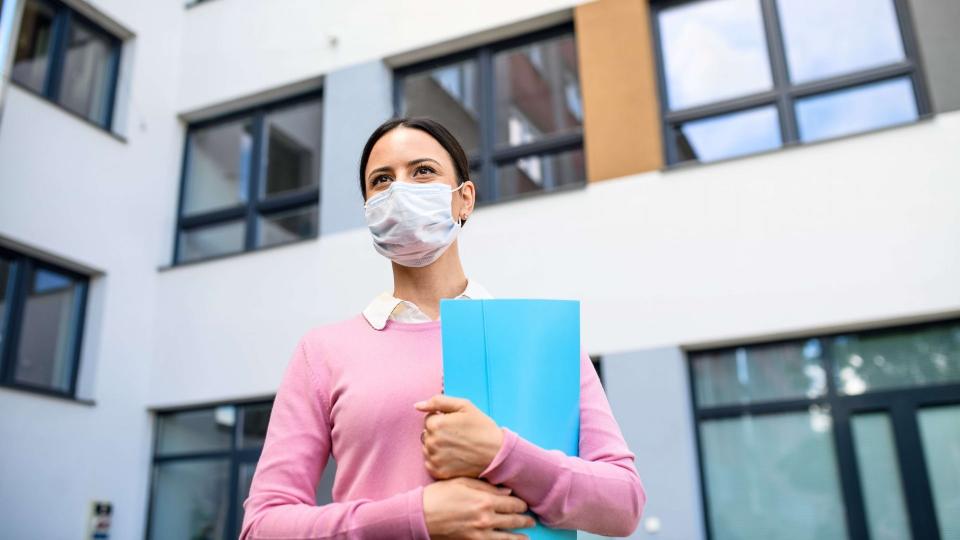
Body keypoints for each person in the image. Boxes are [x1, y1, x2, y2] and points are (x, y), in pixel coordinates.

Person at [239, 117, 646, 539]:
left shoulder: (541, 338)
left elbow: (623, 505)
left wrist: (501, 454)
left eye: (423, 171)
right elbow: (261, 527)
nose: (400, 190)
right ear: (369, 212)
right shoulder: (322, 352)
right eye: (381, 180)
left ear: (464, 199)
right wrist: (418, 517)